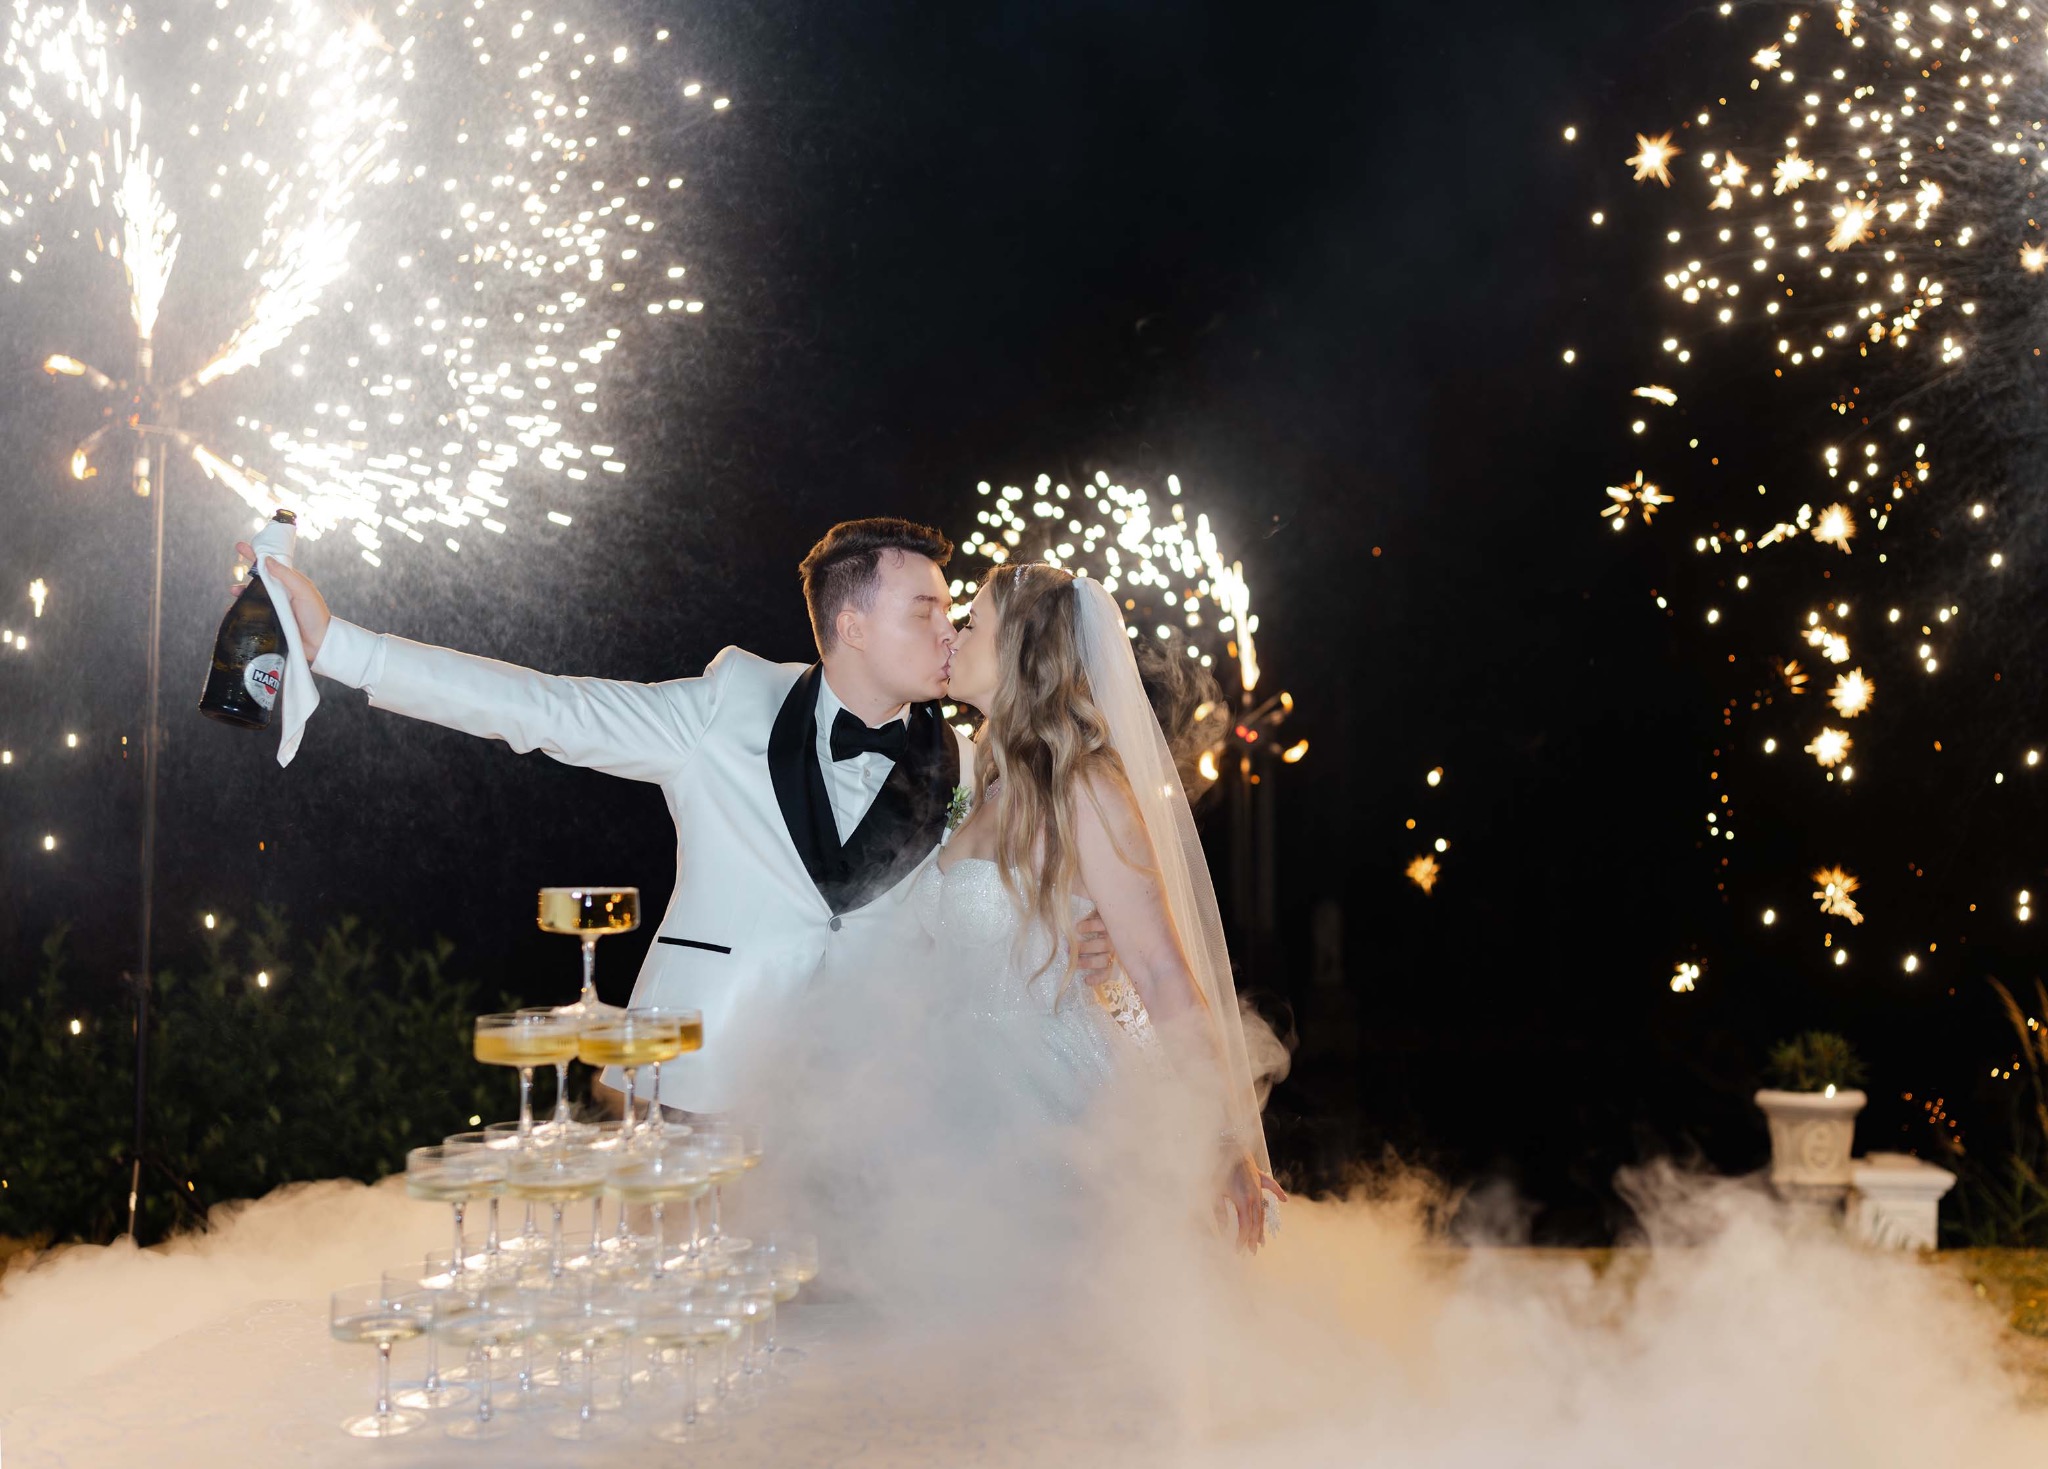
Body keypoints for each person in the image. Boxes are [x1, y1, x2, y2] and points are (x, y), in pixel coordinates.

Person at [229, 517, 1119, 1116]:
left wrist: (1061, 937)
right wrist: (342, 646)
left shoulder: (965, 764)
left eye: (954, 612)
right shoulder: (725, 705)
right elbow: (545, 709)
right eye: (926, 609)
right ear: (851, 624)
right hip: (697, 1075)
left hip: (867, 1108)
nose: (951, 631)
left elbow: (959, 924)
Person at [913, 561, 1285, 1251]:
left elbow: (1162, 969)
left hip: (1054, 1108)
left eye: (972, 624)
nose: (954, 637)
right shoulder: (984, 783)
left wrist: (1221, 1137)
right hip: (954, 1103)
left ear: (1019, 650)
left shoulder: (1084, 786)